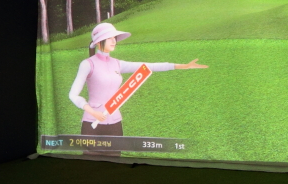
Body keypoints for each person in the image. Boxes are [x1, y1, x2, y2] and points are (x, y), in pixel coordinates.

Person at [68, 22, 207, 137]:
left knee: (115, 159)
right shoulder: (88, 64)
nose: (114, 41)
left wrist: (182, 66)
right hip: (92, 124)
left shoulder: (117, 64)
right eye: (109, 38)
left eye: (114, 37)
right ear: (99, 42)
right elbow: (73, 95)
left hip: (115, 122)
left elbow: (148, 66)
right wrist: (92, 112)